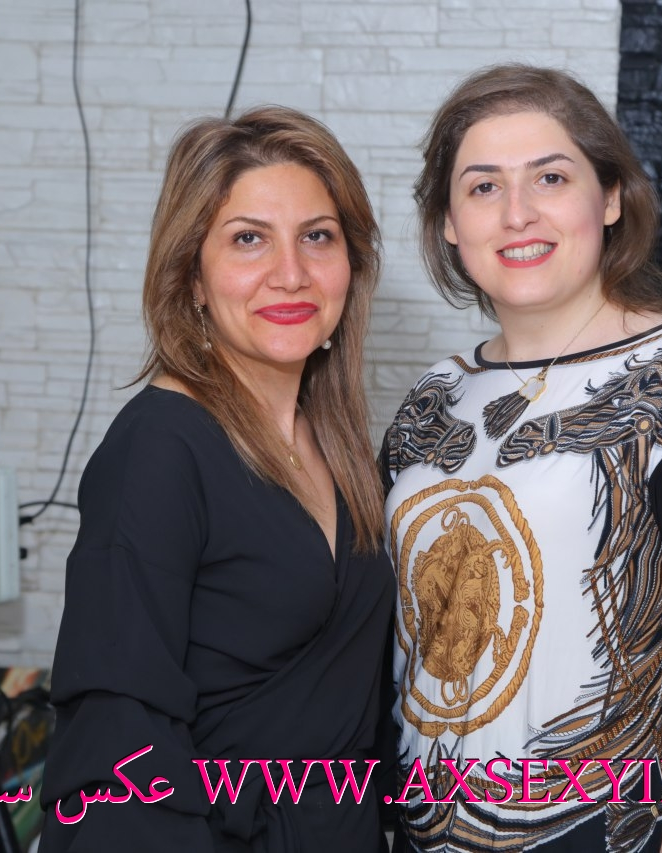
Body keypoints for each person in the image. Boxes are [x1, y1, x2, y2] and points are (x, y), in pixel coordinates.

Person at [380, 64, 662, 852]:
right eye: (483, 186)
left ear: (609, 197)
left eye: (551, 177)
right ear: (448, 223)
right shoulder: (432, 399)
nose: (518, 213)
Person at [39, 106, 395, 852]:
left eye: (317, 236)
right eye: (248, 239)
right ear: (192, 278)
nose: (291, 273)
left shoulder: (335, 441)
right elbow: (117, 735)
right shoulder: (159, 449)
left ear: (351, 264)